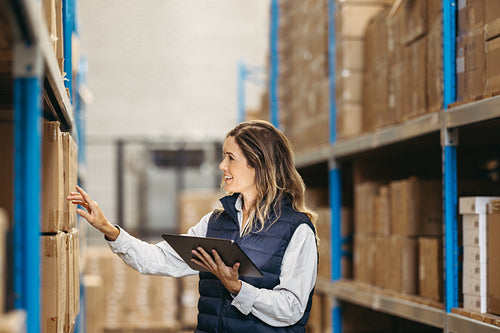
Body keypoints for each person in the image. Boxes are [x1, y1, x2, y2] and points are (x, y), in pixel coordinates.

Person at [68, 120, 318, 332]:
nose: (222, 166)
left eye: (230, 158)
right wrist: (109, 230)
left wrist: (238, 288)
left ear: (258, 164)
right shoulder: (215, 223)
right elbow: (159, 259)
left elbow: (292, 308)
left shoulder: (297, 229)